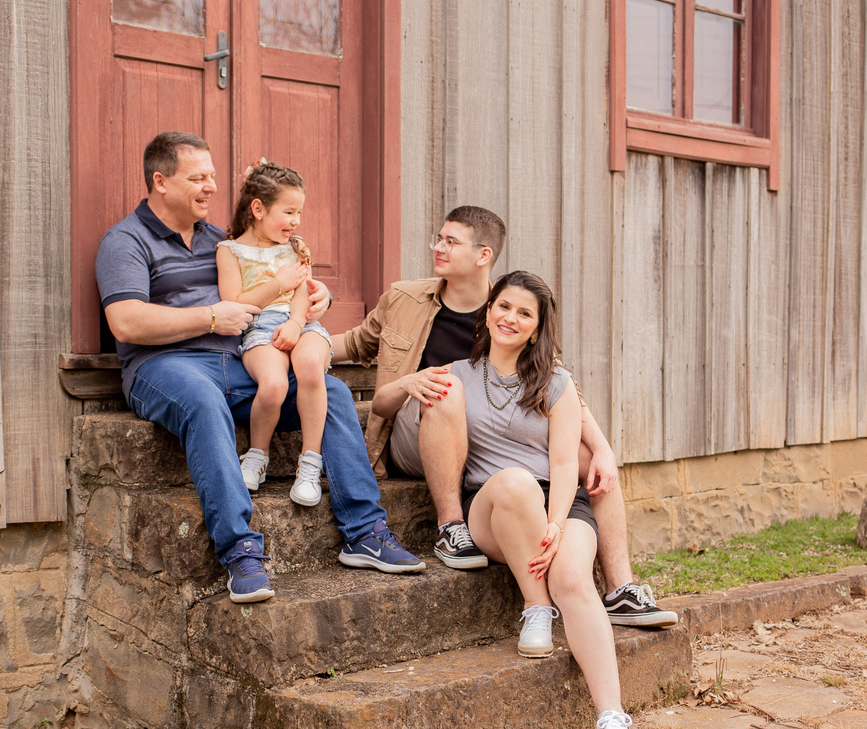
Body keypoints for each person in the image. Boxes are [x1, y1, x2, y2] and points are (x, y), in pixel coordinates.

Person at [94, 132, 425, 606]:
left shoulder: (223, 241)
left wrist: (316, 299)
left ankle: (365, 531)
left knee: (328, 390)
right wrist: (209, 316)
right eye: (198, 178)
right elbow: (125, 322)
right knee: (204, 404)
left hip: (243, 360)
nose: (212, 186)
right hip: (166, 366)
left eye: (212, 175)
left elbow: (278, 279)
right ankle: (240, 550)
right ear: (160, 181)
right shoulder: (125, 241)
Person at [332, 206, 676, 627]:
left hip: (488, 436)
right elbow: (355, 343)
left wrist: (602, 448)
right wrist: (300, 338)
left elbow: (560, 387)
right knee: (448, 387)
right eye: (438, 239)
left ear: (483, 256)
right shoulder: (405, 297)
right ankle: (450, 526)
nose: (438, 248)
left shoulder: (510, 310)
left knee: (590, 462)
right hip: (422, 426)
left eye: (450, 242)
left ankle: (621, 588)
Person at [429, 270, 639, 729]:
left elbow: (566, 463)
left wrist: (557, 525)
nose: (511, 318)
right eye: (504, 306)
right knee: (515, 481)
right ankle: (536, 608)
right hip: (494, 506)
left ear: (537, 327)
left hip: (557, 503)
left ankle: (613, 719)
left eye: (525, 313)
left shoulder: (557, 382)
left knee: (572, 576)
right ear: (487, 310)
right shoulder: (454, 372)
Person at [216, 161, 330, 506]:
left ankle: (310, 464)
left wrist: (296, 323)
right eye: (289, 211)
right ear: (258, 209)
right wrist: (277, 283)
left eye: (299, 212)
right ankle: (257, 455)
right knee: (274, 384)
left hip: (301, 323)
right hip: (258, 327)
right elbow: (234, 302)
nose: (296, 221)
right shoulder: (229, 251)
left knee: (310, 366)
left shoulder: (294, 247)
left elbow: (302, 293)